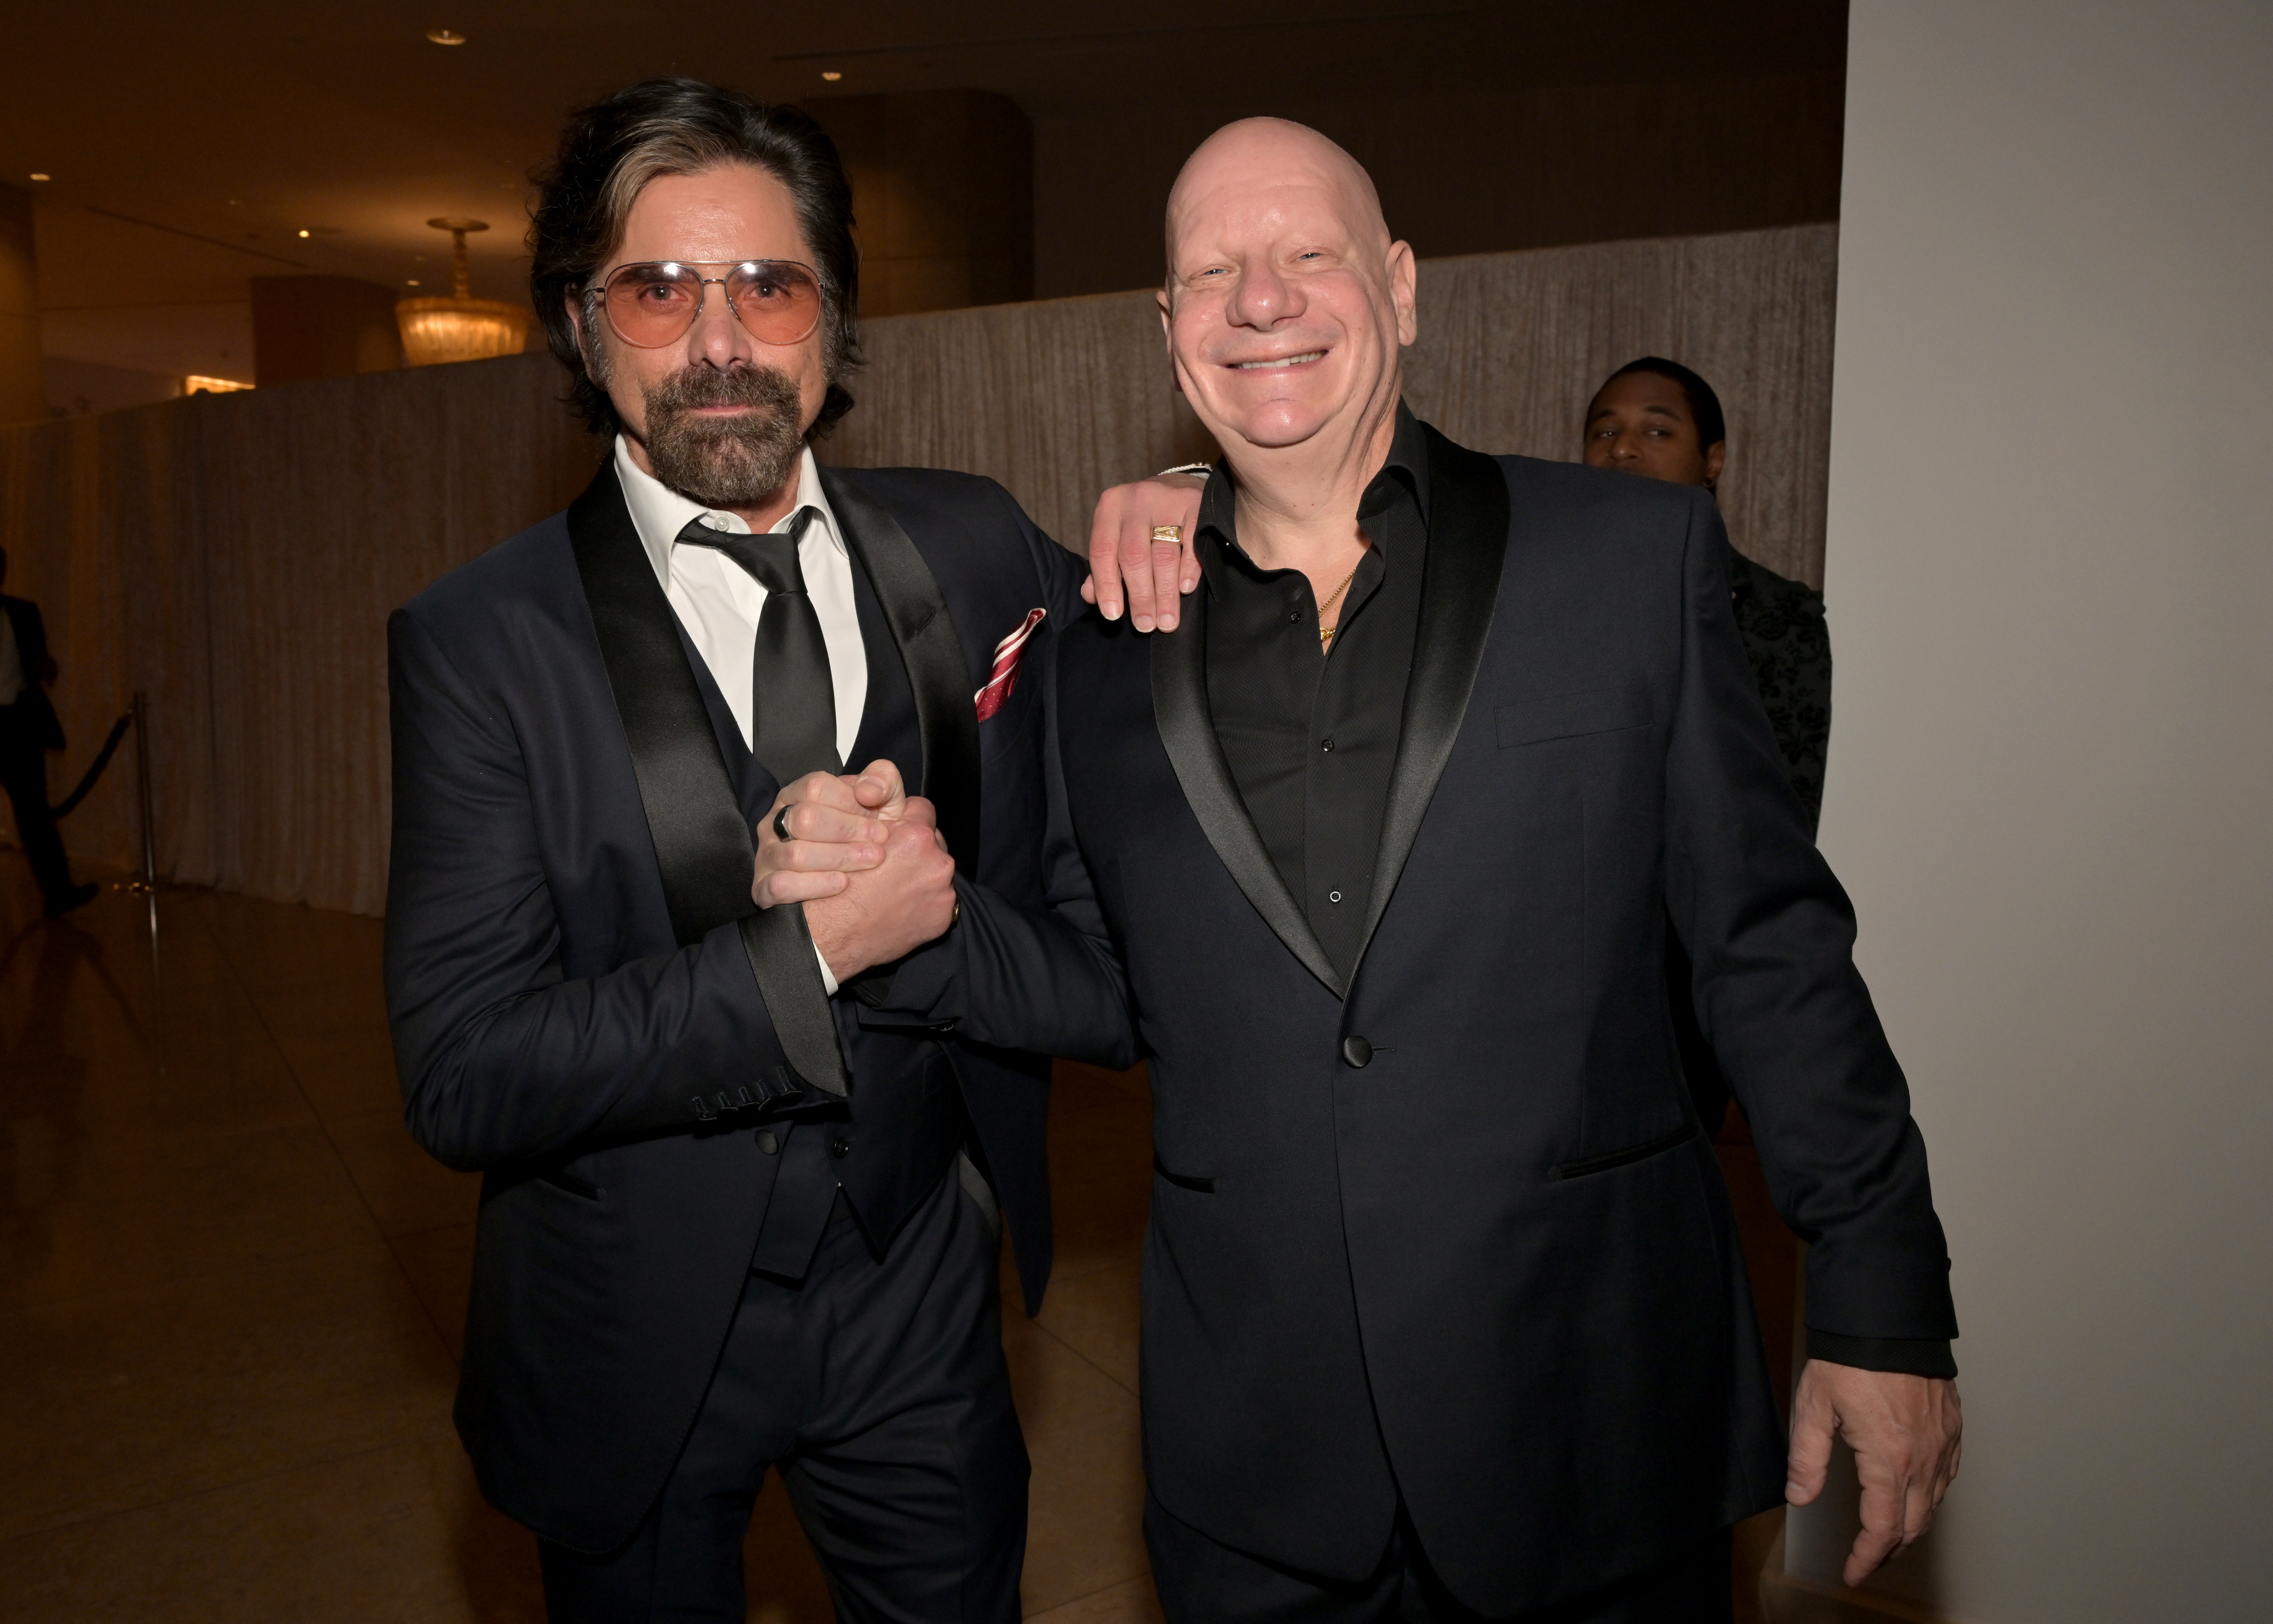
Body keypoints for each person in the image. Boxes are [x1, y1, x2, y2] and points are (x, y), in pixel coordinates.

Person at [806, 118, 1963, 1622]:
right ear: (1169, 327)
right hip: (1261, 1465)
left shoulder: (1626, 561)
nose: (1262, 300)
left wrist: (1880, 1302)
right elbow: (1108, 985)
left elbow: (1770, 951)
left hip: (1588, 1419)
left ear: (1402, 287)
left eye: (1309, 256)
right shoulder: (1099, 652)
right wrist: (919, 916)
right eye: (1213, 270)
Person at [383, 79, 1188, 1623]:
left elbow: (1109, 980)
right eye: (657, 287)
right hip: (634, 1338)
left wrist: (1197, 486)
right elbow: (463, 1073)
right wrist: (804, 957)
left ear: (832, 318)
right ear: (580, 323)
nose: (721, 340)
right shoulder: (482, 643)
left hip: (919, 1306)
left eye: (769, 282)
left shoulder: (978, 549)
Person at [1583, 357, 1832, 831]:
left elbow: (1780, 818)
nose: (1623, 450)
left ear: (1712, 460)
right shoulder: (1543, 597)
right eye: (1605, 432)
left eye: (1656, 431)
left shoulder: (1775, 614)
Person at [0, 546, 96, 918]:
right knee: (35, 813)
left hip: (17, 724)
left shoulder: (23, 611)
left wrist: (47, 667)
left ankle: (59, 892)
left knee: (35, 814)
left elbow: (39, 662)